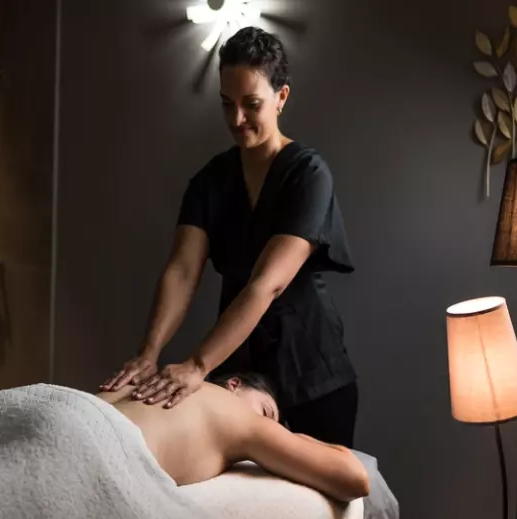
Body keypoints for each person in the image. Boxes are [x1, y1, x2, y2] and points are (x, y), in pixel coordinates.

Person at [103, 26, 359, 447]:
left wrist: (198, 365)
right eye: (227, 104)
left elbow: (267, 283)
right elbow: (182, 272)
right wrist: (149, 353)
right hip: (240, 371)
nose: (236, 119)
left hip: (312, 374)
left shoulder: (308, 174)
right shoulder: (210, 182)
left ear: (281, 97)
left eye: (251, 104)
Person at [97, 372, 369, 502]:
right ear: (234, 384)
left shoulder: (151, 381)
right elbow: (355, 479)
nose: (269, 427)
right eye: (266, 412)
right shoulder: (237, 414)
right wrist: (295, 437)